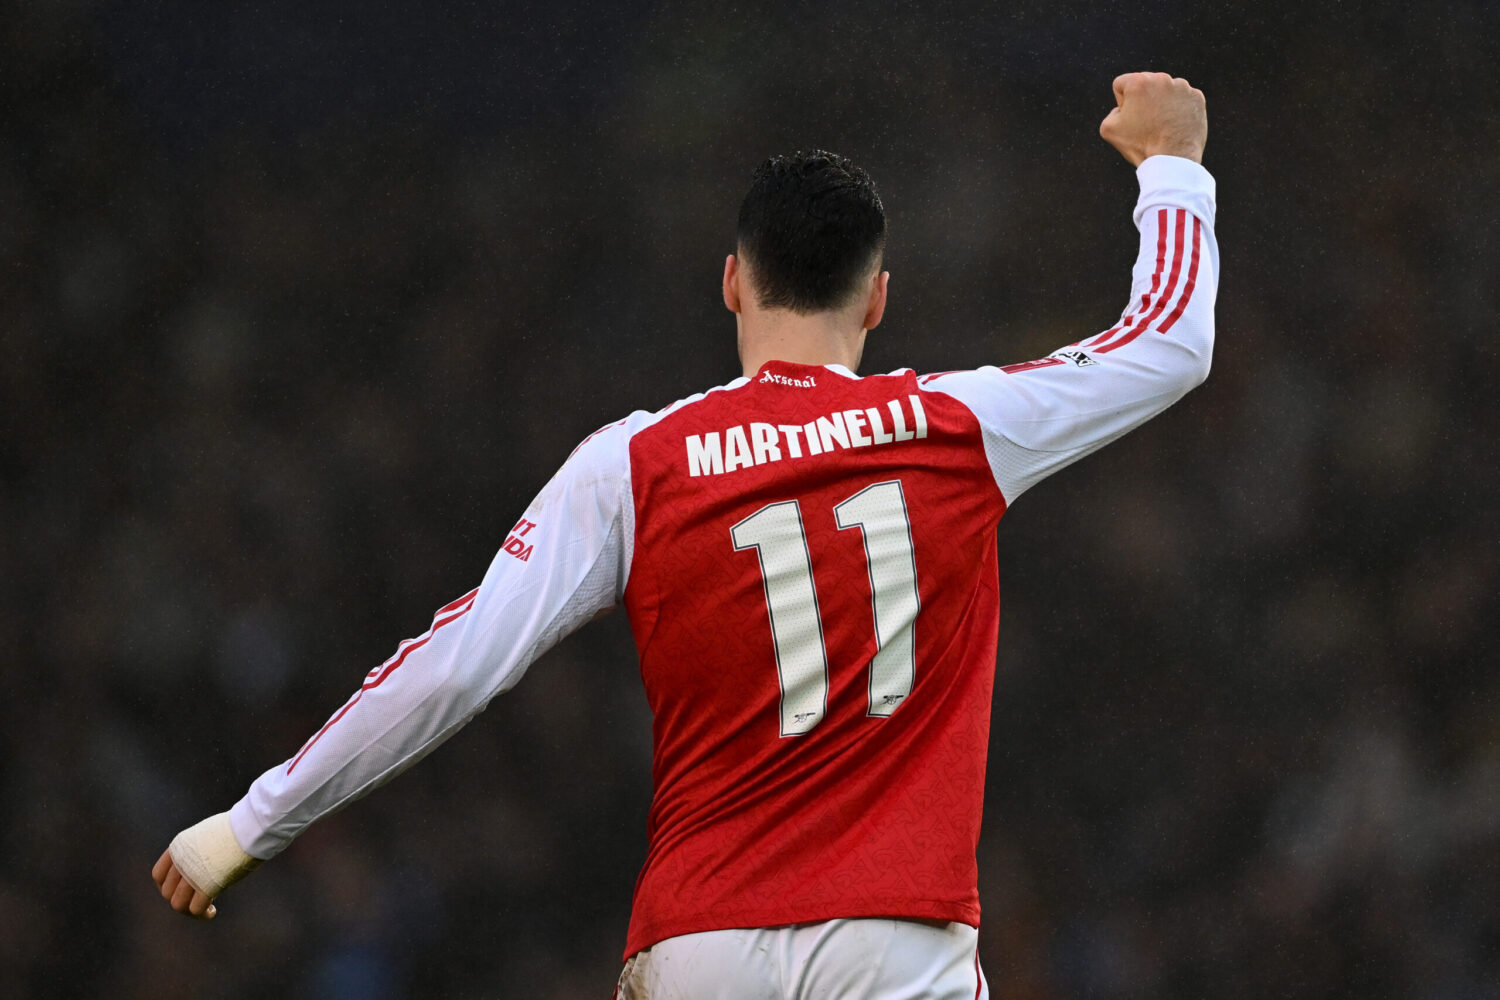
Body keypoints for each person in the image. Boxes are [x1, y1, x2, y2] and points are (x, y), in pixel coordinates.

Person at [154, 71, 1214, 998]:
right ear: (879, 301)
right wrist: (1171, 166)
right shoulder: (958, 425)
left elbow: (456, 663)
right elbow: (1166, 342)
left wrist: (247, 826)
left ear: (732, 281)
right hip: (897, 937)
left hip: (701, 941)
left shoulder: (635, 464)